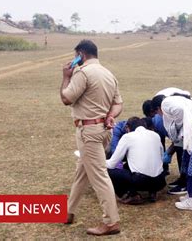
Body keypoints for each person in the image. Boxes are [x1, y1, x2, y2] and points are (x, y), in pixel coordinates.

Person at [60, 39, 122, 236]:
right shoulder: (108, 74)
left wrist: (66, 77)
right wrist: (111, 116)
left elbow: (66, 98)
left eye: (76, 56)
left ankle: (111, 222)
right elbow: (118, 103)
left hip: (89, 132)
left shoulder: (82, 72)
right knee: (82, 173)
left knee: (99, 177)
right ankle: (68, 212)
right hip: (104, 130)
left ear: (81, 54)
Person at [107, 117, 166, 204]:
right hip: (160, 181)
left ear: (127, 128)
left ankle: (131, 195)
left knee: (110, 171)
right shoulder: (155, 135)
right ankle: (152, 192)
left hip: (141, 181)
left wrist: (99, 161)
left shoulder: (127, 137)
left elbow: (112, 164)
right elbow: (161, 157)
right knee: (127, 166)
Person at [151, 88, 192, 195]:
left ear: (155, 110)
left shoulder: (160, 120)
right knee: (179, 146)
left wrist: (168, 152)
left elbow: (175, 139)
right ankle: (182, 178)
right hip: (182, 109)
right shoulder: (160, 113)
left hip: (186, 119)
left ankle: (185, 181)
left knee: (182, 150)